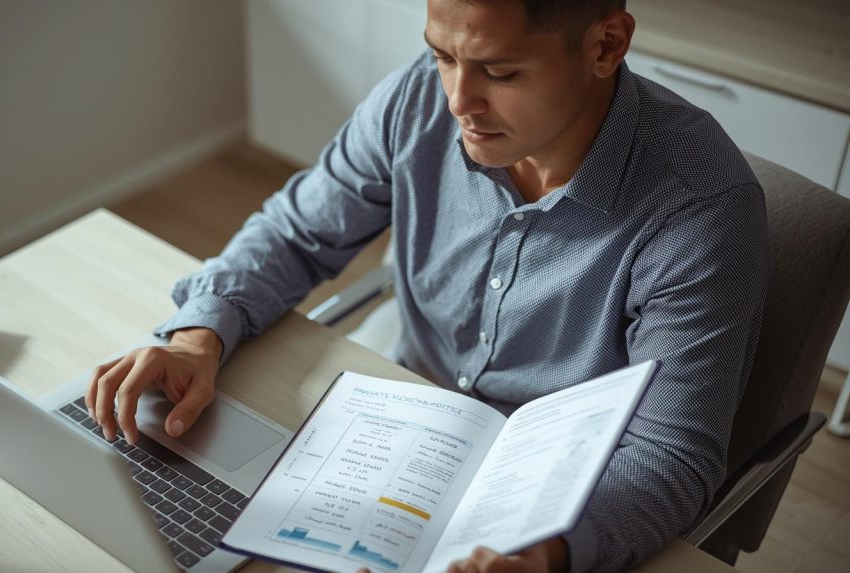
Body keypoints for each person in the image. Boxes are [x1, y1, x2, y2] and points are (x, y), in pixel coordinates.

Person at [85, 0, 769, 571]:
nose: (457, 101)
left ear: (606, 45)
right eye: (443, 56)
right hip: (405, 428)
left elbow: (667, 454)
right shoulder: (416, 99)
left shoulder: (701, 209)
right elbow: (297, 231)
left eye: (500, 71)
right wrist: (197, 336)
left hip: (556, 493)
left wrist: (548, 550)